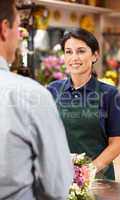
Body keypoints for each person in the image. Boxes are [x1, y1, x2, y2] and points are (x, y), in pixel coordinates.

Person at [0, 0, 73, 200]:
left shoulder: (106, 93)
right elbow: (57, 186)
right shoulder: (33, 94)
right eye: (18, 28)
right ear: (5, 29)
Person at [47, 28, 120, 180]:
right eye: (69, 52)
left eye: (81, 51)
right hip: (59, 177)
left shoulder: (109, 94)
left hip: (97, 180)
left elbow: (117, 143)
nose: (74, 57)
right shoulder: (53, 90)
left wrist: (88, 172)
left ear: (95, 55)